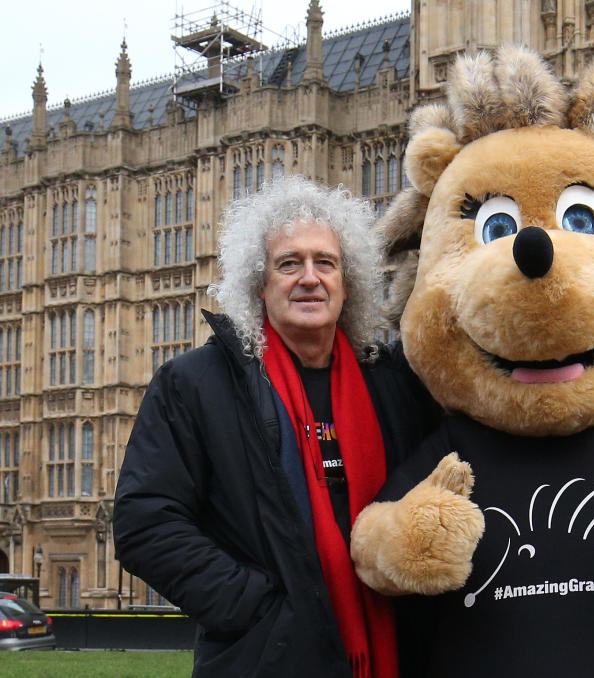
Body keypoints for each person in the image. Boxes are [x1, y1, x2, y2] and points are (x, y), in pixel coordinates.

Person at [113, 176, 439, 678]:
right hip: (267, 658)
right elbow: (145, 522)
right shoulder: (196, 385)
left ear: (347, 283)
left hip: (392, 651)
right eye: (288, 264)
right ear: (259, 285)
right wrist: (256, 609)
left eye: (325, 263)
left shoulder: (395, 384)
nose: (309, 277)